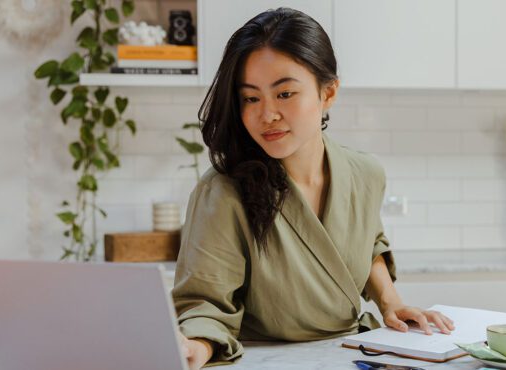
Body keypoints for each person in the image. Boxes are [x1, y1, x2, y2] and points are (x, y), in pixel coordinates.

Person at [172, 7, 455, 369]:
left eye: (285, 94)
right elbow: (204, 304)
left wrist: (391, 303)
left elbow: (367, 242)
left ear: (329, 92)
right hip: (265, 360)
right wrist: (196, 346)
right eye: (251, 98)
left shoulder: (365, 173)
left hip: (356, 353)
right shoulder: (223, 191)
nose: (267, 114)